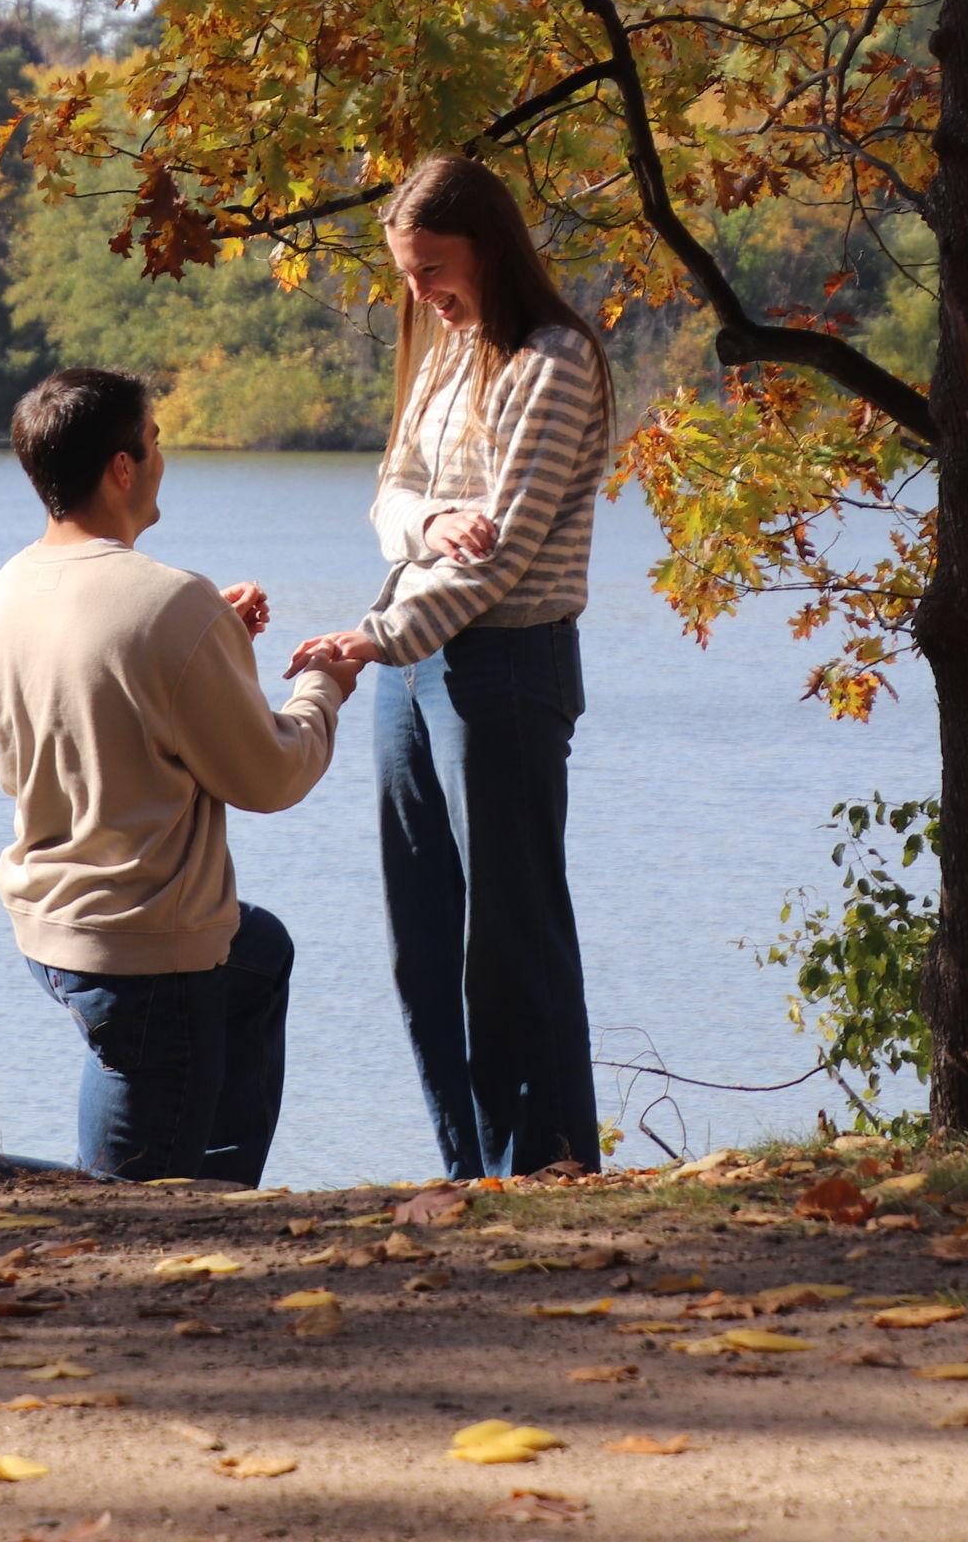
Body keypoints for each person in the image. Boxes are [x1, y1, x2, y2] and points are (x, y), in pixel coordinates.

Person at [0, 366, 361, 1190]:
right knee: (115, 1206)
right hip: (145, 948)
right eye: (155, 441)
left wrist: (215, 651)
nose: (163, 457)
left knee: (259, 957)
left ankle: (216, 1195)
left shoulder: (9, 590)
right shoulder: (170, 604)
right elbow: (269, 775)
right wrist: (323, 688)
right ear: (121, 468)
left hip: (51, 921)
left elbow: (71, 710)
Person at [288, 154, 613, 1180]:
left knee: (508, 939)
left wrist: (370, 637)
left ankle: (547, 1168)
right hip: (412, 666)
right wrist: (431, 519)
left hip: (506, 666)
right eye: (408, 274)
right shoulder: (444, 349)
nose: (422, 292)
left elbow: (504, 556)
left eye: (434, 268)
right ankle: (469, 1172)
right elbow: (387, 496)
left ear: (489, 245)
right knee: (422, 938)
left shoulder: (551, 360)